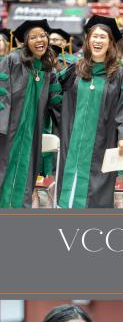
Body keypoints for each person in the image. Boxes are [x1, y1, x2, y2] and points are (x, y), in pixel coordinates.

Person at [56, 15, 123, 208]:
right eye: (94, 36)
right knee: (68, 189)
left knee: (96, 190)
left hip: (102, 141)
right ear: (87, 40)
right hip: (73, 140)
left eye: (103, 37)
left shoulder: (118, 75)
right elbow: (54, 97)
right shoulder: (75, 71)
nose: (97, 40)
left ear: (111, 43)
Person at [0, 19, 62, 208]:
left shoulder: (47, 67)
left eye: (43, 35)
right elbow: (2, 93)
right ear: (25, 42)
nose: (40, 40)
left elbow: (56, 101)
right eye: (33, 37)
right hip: (9, 130)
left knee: (27, 176)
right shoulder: (12, 60)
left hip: (33, 132)